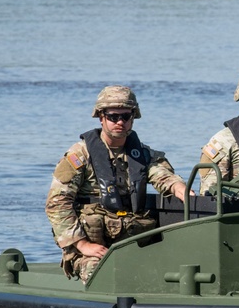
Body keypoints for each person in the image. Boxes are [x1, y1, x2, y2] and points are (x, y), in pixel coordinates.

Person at [46, 85, 189, 282]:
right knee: (102, 276)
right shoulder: (80, 155)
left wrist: (180, 189)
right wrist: (82, 245)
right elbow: (57, 203)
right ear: (101, 117)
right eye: (113, 116)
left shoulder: (143, 155)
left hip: (133, 241)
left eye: (126, 116)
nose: (120, 122)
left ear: (133, 117)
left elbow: (162, 175)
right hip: (93, 248)